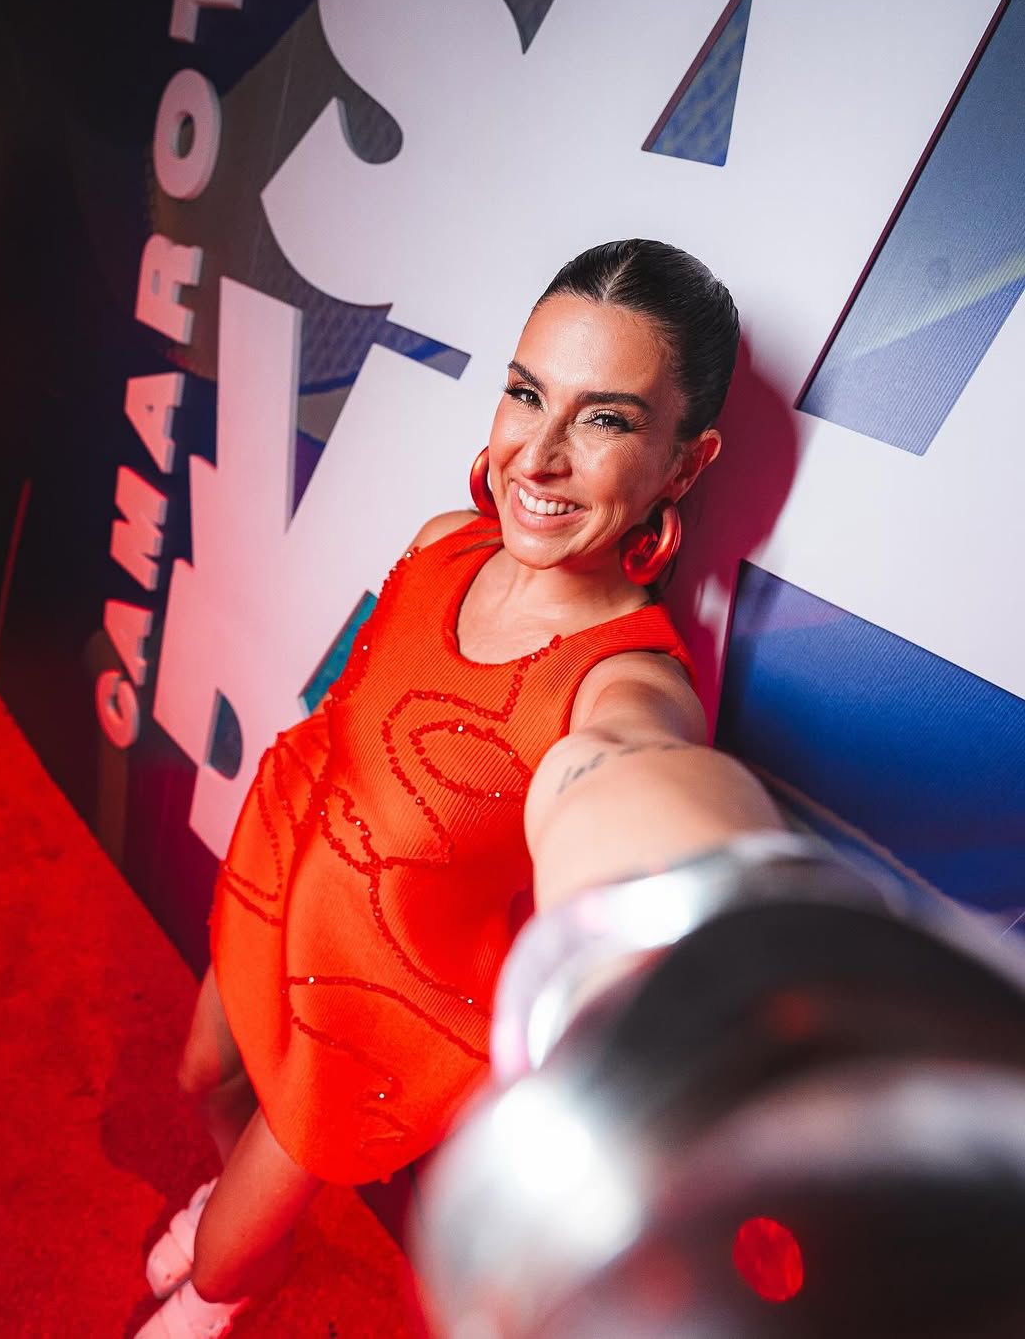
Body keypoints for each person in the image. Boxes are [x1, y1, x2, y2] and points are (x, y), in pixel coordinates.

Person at [136, 239, 783, 1336]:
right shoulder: (445, 543)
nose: (540, 455)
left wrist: (681, 876)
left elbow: (629, 774)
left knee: (228, 1253)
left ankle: (221, 1286)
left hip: (377, 1011)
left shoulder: (626, 679)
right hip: (288, 862)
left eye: (605, 419)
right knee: (205, 1073)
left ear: (686, 463)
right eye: (527, 394)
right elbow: (350, 716)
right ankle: (221, 1206)